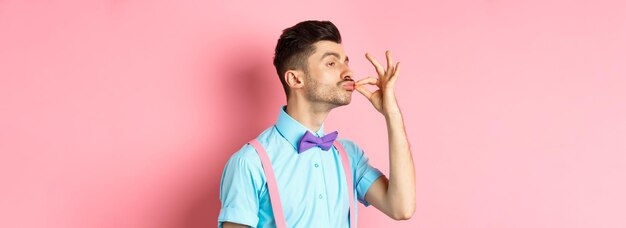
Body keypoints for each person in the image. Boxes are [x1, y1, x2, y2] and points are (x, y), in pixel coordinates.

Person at [218, 20, 415, 228]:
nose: (348, 72)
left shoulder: (349, 156)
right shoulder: (250, 162)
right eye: (331, 63)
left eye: (346, 62)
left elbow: (401, 207)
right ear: (295, 79)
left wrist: (391, 114)